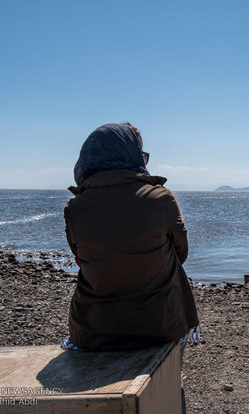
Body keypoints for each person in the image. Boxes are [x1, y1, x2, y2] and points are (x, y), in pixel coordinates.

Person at [62, 122, 199, 411]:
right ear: (131, 157)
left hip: (94, 327)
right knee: (170, 385)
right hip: (161, 324)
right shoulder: (160, 199)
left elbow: (82, 259)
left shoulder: (75, 209)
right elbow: (180, 253)